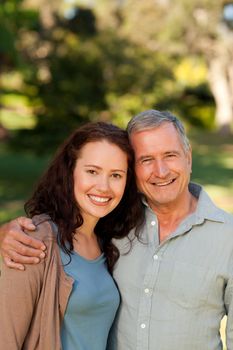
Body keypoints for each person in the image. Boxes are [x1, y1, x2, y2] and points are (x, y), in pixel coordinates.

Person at [1, 110, 233, 349]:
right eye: (146, 160)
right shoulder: (107, 226)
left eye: (170, 155)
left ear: (189, 158)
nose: (161, 171)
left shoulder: (227, 238)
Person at [0, 121, 143, 350]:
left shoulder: (107, 240)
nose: (103, 187)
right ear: (70, 171)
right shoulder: (33, 241)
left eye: (116, 175)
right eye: (92, 171)